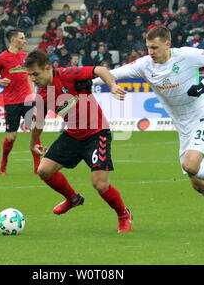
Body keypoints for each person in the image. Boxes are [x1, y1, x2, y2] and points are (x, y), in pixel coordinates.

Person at [93, 26, 204, 228]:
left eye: (155, 47)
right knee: (198, 184)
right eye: (148, 47)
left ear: (167, 45)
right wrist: (85, 78)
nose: (150, 52)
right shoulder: (144, 65)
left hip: (203, 120)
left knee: (191, 165)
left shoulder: (185, 56)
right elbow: (113, 73)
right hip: (183, 129)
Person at [24, 50, 132, 233]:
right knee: (44, 170)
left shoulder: (67, 74)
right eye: (30, 75)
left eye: (35, 74)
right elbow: (38, 122)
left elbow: (100, 70)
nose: (33, 78)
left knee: (100, 184)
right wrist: (32, 144)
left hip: (97, 134)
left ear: (48, 68)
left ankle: (123, 214)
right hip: (73, 135)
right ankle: (73, 198)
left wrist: (112, 86)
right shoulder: (42, 95)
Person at [0, 29, 39, 176]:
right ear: (13, 40)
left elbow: (30, 76)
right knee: (11, 137)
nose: (25, 41)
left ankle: (37, 167)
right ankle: (4, 161)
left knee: (35, 131)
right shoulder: (2, 58)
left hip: (27, 100)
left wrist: (33, 94)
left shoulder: (26, 57)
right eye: (22, 38)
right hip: (11, 102)